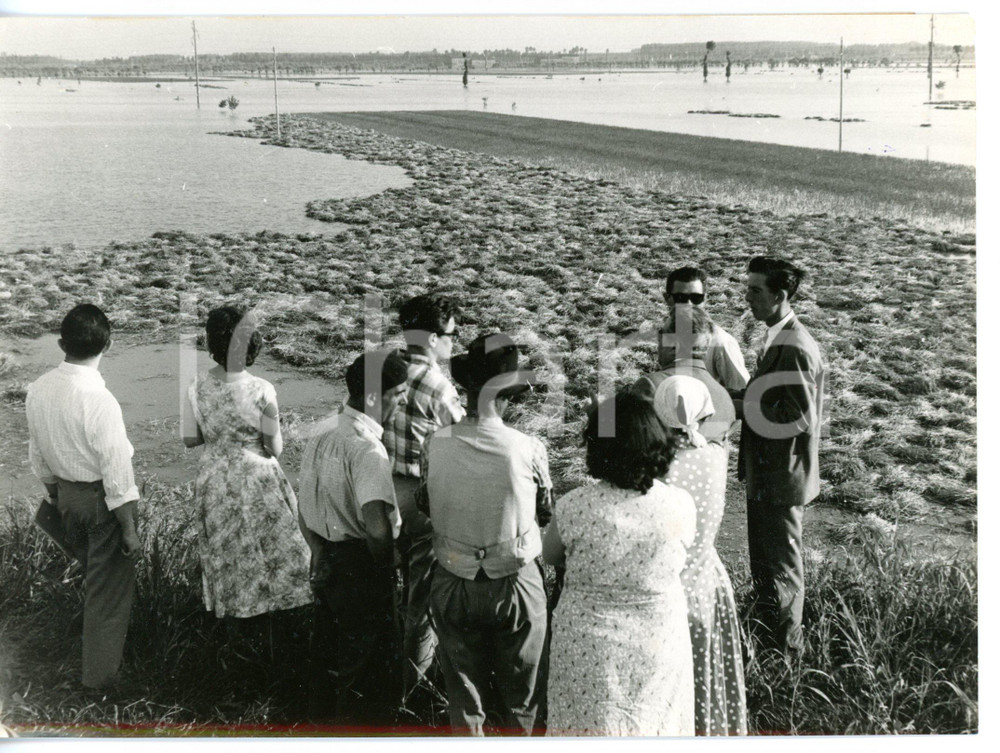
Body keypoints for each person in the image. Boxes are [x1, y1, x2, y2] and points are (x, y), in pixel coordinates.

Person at [417, 334, 552, 735]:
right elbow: (544, 511)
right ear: (508, 396)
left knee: (464, 696)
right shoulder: (527, 448)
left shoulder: (434, 444)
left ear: (467, 390)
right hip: (514, 583)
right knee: (524, 697)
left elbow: (425, 502)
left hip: (452, 579)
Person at [543, 392, 696, 736]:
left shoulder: (573, 506)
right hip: (658, 641)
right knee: (655, 724)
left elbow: (550, 555)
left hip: (587, 646)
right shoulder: (679, 506)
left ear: (596, 447)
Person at [26, 303, 141, 691]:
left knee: (93, 583)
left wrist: (56, 496)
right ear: (108, 344)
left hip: (66, 498)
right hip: (100, 502)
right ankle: (101, 682)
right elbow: (116, 470)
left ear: (61, 343)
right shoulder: (99, 399)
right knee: (108, 593)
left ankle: (93, 659)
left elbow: (38, 454)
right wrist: (129, 528)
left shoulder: (39, 389)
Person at [296, 350, 410, 728]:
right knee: (369, 670)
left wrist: (317, 550)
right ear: (375, 398)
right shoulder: (367, 449)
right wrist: (388, 563)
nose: (404, 400)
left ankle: (321, 732)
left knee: (327, 661)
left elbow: (304, 502)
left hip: (328, 559)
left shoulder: (324, 429)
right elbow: (377, 526)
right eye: (399, 392)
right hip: (361, 566)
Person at [181, 305, 312, 622]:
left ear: (213, 343)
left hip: (214, 478)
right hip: (257, 477)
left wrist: (219, 433)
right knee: (276, 551)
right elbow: (274, 447)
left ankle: (234, 619)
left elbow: (190, 439)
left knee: (228, 554)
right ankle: (276, 617)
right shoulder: (261, 389)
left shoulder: (196, 386)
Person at [737, 257, 825, 654]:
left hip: (782, 476)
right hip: (770, 473)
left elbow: (799, 419)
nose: (748, 296)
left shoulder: (795, 347)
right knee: (766, 567)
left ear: (780, 295)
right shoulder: (779, 336)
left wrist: (740, 407)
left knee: (783, 570)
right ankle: (769, 641)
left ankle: (790, 656)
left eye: (756, 290)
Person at [653, 376, 747, 736]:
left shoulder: (654, 469)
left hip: (665, 590)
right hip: (706, 585)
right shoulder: (715, 457)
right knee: (704, 679)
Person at [383, 293, 465, 692]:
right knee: (421, 599)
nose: (454, 342)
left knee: (390, 588)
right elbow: (464, 437)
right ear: (433, 338)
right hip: (422, 498)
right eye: (451, 334)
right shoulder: (438, 385)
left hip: (382, 493)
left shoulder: (385, 371)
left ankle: (385, 669)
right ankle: (413, 689)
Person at [635, 305, 735, 444]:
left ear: (674, 345)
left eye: (662, 334)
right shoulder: (725, 398)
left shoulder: (650, 386)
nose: (658, 340)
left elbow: (629, 446)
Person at [660, 266, 750, 394]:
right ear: (667, 298)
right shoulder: (668, 329)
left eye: (696, 298)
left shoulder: (721, 342)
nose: (689, 305)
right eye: (681, 298)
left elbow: (742, 393)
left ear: (705, 299)